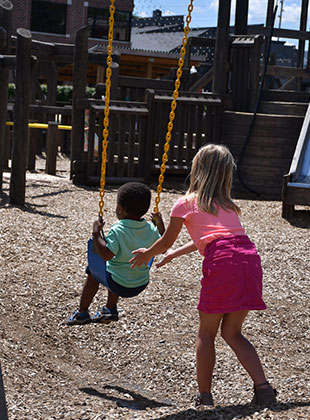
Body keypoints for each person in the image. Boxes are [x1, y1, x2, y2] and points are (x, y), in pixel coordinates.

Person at [130, 144, 277, 407]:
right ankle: (264, 390)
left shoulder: (184, 204)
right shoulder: (227, 205)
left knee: (206, 334)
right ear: (225, 175)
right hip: (248, 258)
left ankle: (205, 396)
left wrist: (147, 254)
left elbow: (165, 240)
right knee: (233, 332)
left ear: (198, 170)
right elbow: (215, 237)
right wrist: (175, 254)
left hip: (222, 263)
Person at [67, 182, 164, 326]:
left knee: (93, 272)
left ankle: (82, 313)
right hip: (140, 282)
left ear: (120, 208)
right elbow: (163, 244)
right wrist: (160, 223)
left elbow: (106, 255)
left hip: (119, 284)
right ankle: (110, 308)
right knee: (117, 266)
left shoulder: (117, 230)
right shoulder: (150, 229)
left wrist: (96, 233)